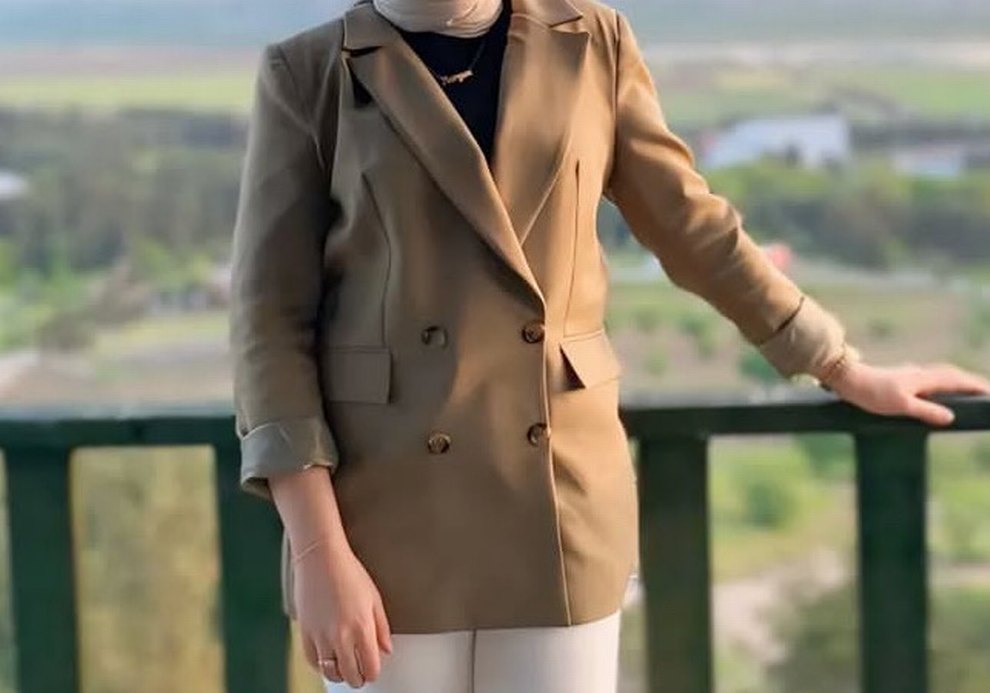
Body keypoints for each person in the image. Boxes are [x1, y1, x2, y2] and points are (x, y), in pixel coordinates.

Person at [227, 0, 990, 690]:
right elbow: (268, 325)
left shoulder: (593, 40)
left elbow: (693, 229)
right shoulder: (308, 73)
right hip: (380, 521)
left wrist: (838, 362)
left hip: (558, 501)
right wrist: (318, 553)